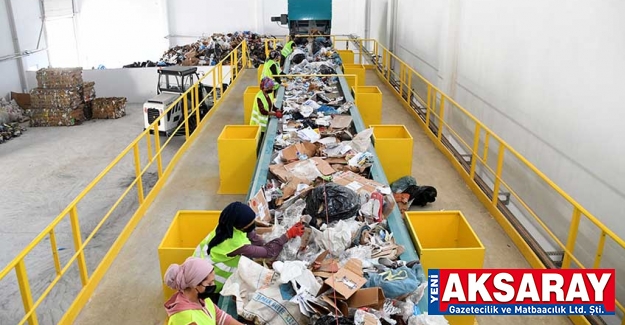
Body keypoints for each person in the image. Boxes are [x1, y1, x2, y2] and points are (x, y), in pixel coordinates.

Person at [193, 202, 305, 292]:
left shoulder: (226, 225)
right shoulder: (236, 244)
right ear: (241, 226)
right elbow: (269, 252)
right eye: (250, 224)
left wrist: (273, 239)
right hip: (211, 282)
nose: (253, 225)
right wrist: (287, 235)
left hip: (198, 266)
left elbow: (253, 236)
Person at [164, 257, 243, 325]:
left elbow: (220, 317)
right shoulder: (188, 319)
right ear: (195, 285)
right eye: (209, 283)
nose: (213, 285)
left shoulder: (201, 299)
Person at [250, 77, 282, 147]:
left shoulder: (268, 94)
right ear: (265, 88)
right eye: (270, 88)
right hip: (259, 124)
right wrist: (275, 114)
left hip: (266, 122)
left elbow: (271, 105)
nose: (272, 89)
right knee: (260, 143)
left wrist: (277, 110)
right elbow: (263, 111)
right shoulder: (259, 97)